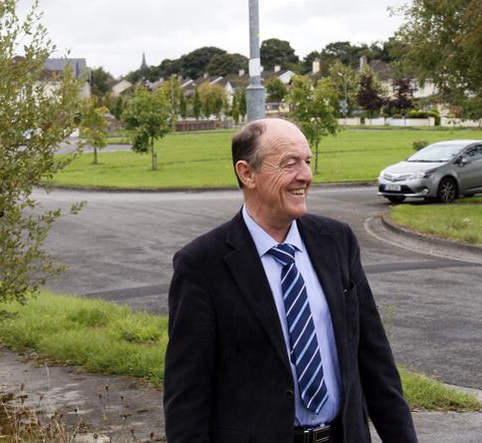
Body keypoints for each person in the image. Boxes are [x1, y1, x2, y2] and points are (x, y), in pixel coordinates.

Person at [164, 118, 417, 443]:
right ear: (247, 173)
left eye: (308, 161)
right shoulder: (201, 264)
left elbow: (375, 362)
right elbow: (186, 395)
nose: (306, 175)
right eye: (290, 163)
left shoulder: (337, 241)